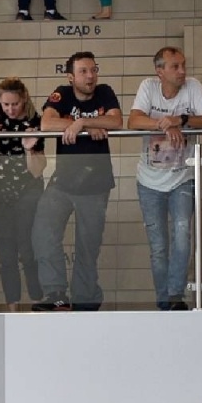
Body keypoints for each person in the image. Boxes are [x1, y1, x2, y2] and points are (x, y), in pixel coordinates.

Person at [129, 48, 202, 311]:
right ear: (160, 71)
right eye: (175, 66)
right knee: (158, 245)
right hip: (149, 181)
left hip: (183, 177)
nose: (182, 71)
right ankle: (163, 301)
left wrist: (181, 119)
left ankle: (175, 296)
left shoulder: (193, 86)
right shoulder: (148, 87)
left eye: (183, 65)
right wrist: (165, 124)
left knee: (182, 235)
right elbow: (134, 120)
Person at [33, 52, 122, 312]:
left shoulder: (105, 92)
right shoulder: (62, 93)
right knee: (43, 232)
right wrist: (83, 126)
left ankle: (85, 300)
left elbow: (116, 121)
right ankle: (55, 294)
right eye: (83, 71)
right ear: (71, 77)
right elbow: (46, 123)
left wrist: (82, 122)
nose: (90, 76)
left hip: (96, 184)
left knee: (87, 246)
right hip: (63, 181)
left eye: (93, 70)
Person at [0, 79, 46, 311]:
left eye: (15, 104)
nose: (10, 109)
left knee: (28, 251)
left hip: (27, 190)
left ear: (23, 99)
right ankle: (12, 307)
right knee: (6, 256)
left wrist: (29, 148)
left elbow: (38, 169)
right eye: (6, 104)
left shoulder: (34, 121)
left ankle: (37, 301)